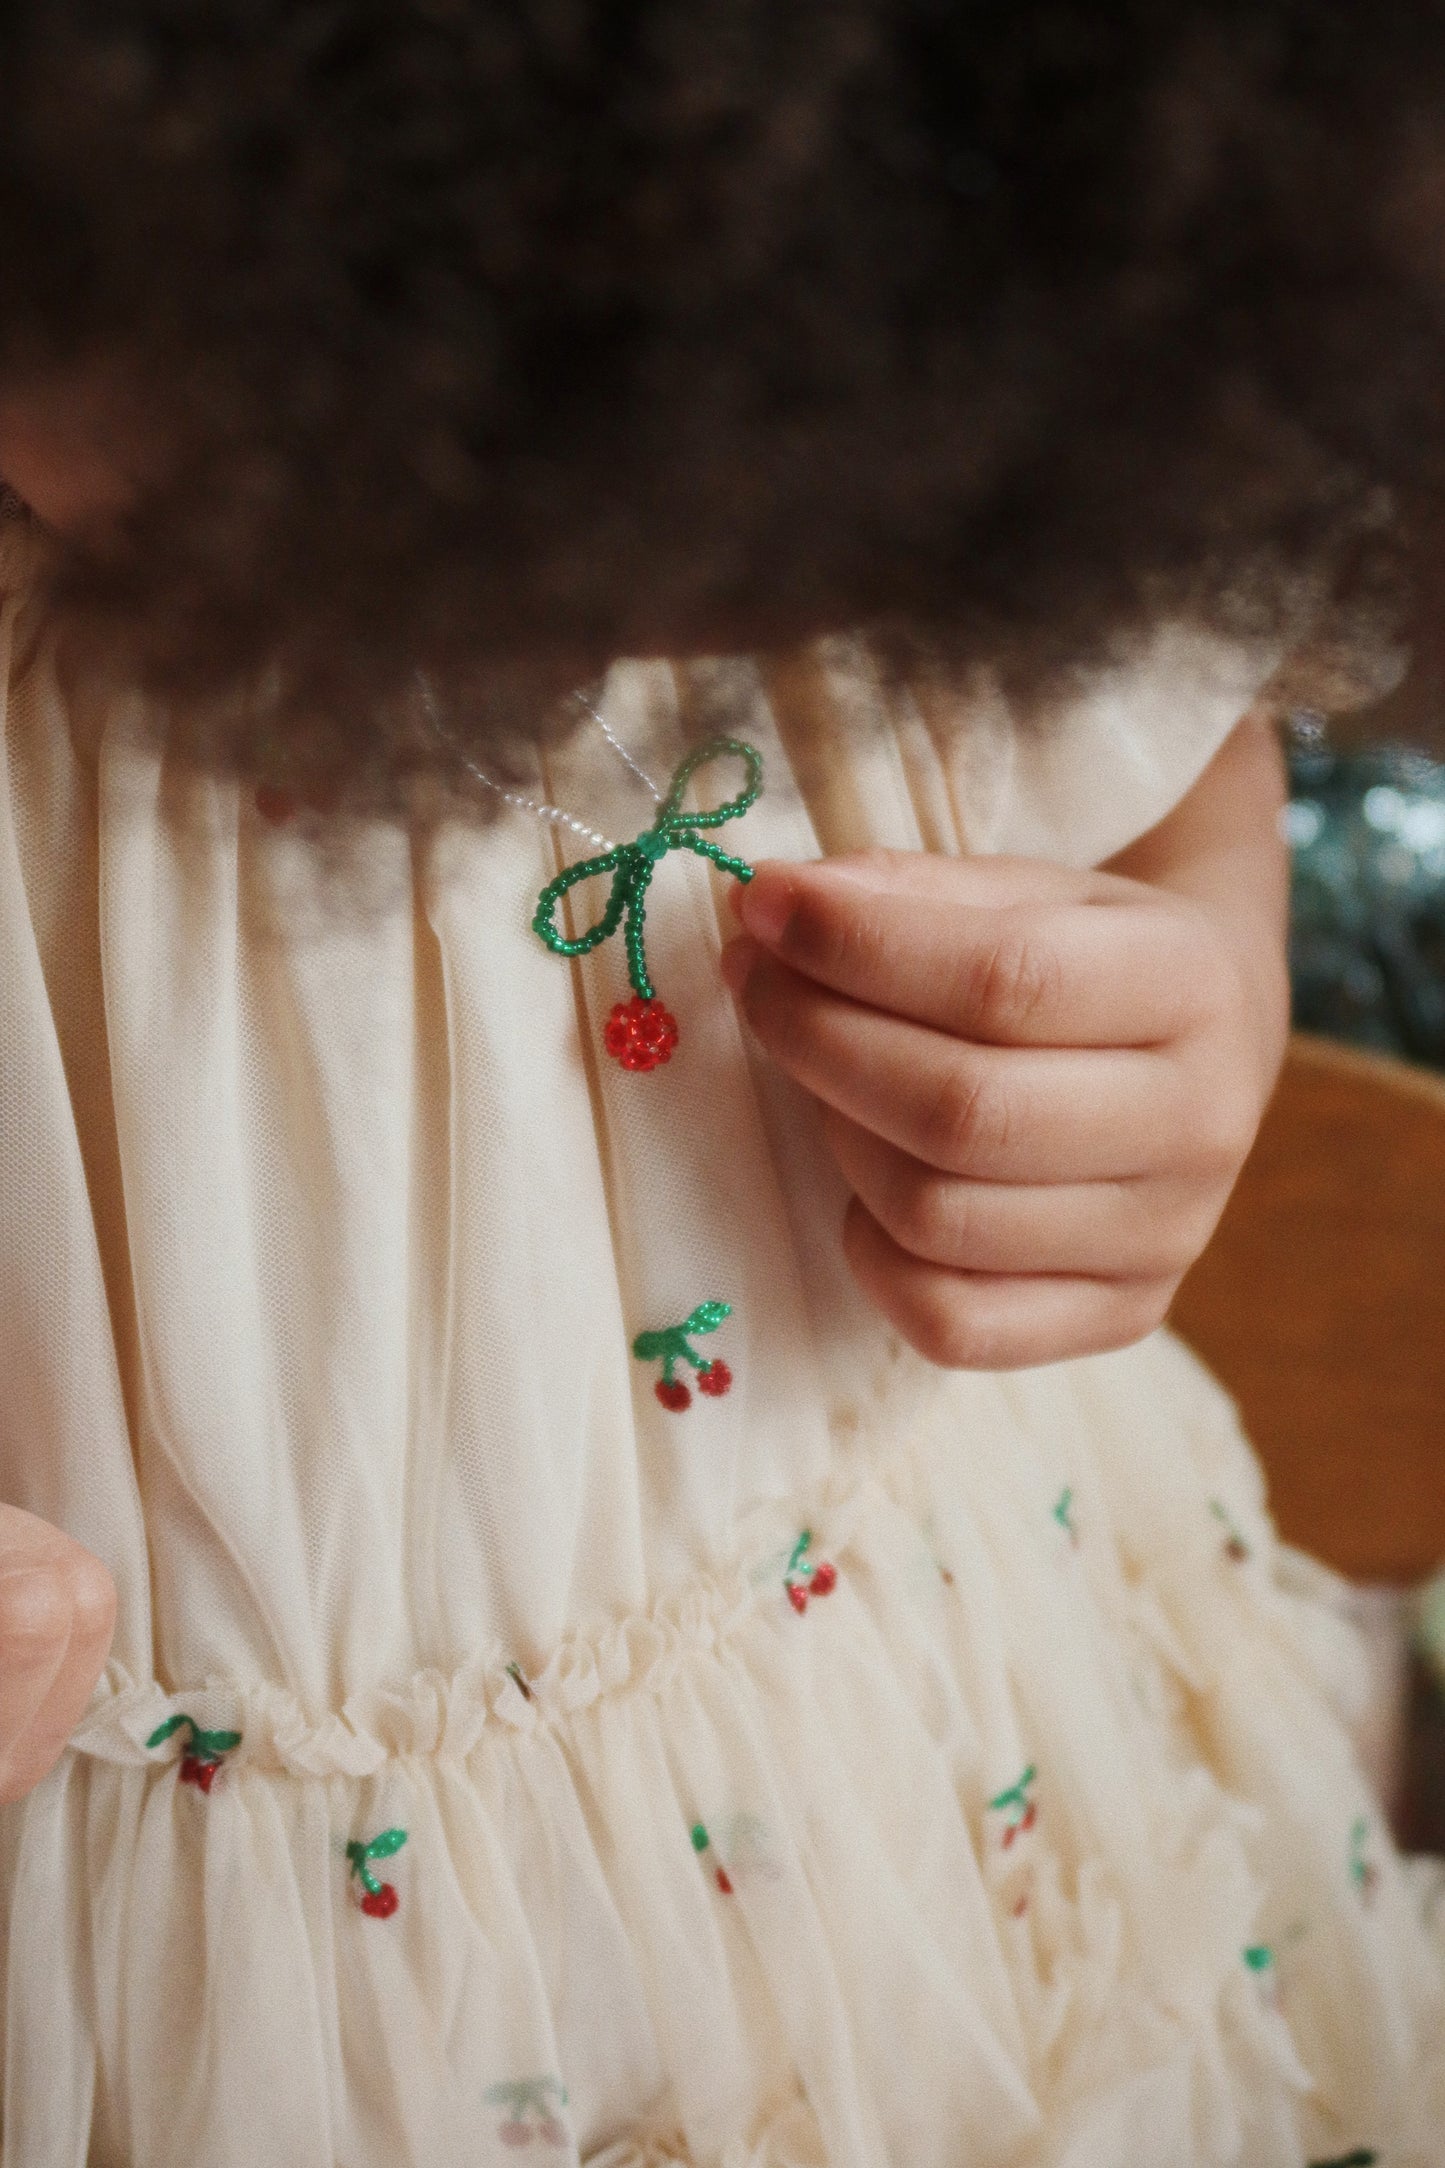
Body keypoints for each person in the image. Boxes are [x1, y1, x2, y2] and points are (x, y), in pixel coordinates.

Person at [0, 5, 1441, 2163]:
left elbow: (1161, 753)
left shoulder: (915, 330)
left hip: (943, 1775)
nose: (560, 674)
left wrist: (1193, 967)